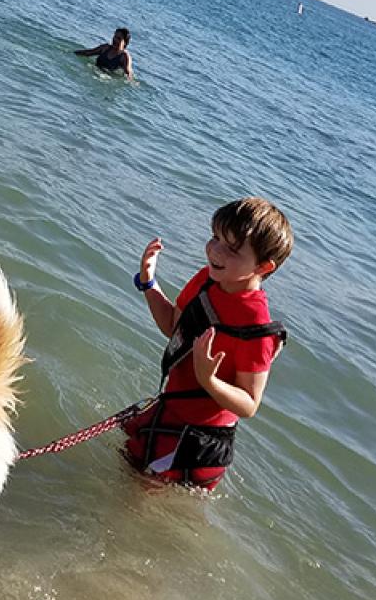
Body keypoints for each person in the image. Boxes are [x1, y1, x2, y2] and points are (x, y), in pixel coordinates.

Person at [122, 198, 294, 490]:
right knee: (123, 466)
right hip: (169, 410)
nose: (215, 250)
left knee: (133, 502)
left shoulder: (256, 329)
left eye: (232, 249)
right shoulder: (208, 279)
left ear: (263, 266)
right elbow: (173, 328)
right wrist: (149, 284)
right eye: (215, 237)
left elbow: (249, 405)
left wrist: (210, 381)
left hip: (198, 440)